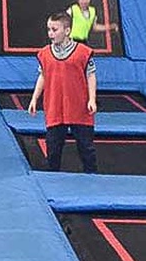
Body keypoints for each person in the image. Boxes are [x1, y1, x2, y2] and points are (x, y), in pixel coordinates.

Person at [27, 11, 98, 173]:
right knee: (53, 149)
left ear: (67, 31)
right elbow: (42, 76)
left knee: (86, 148)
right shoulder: (45, 54)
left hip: (79, 107)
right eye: (49, 30)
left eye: (54, 29)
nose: (50, 34)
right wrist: (34, 99)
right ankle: (52, 179)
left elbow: (91, 75)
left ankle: (93, 177)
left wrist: (92, 99)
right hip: (55, 107)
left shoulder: (83, 52)